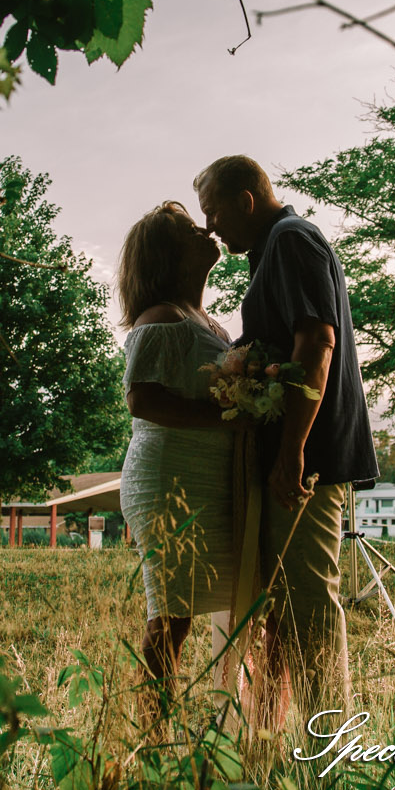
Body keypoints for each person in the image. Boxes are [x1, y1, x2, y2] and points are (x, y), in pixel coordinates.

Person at [193, 156, 378, 718]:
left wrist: (293, 450)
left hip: (310, 455)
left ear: (246, 200)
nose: (210, 227)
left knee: (309, 601)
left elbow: (317, 343)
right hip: (296, 451)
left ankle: (331, 743)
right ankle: (276, 732)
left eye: (213, 212)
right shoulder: (274, 246)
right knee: (286, 605)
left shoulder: (292, 239)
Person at [115, 200, 238, 707]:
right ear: (169, 255)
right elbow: (141, 399)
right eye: (191, 231)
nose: (206, 232)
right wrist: (229, 418)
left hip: (208, 478)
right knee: (172, 615)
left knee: (209, 604)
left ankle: (233, 715)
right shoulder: (161, 318)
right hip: (170, 480)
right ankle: (151, 728)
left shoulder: (207, 322)